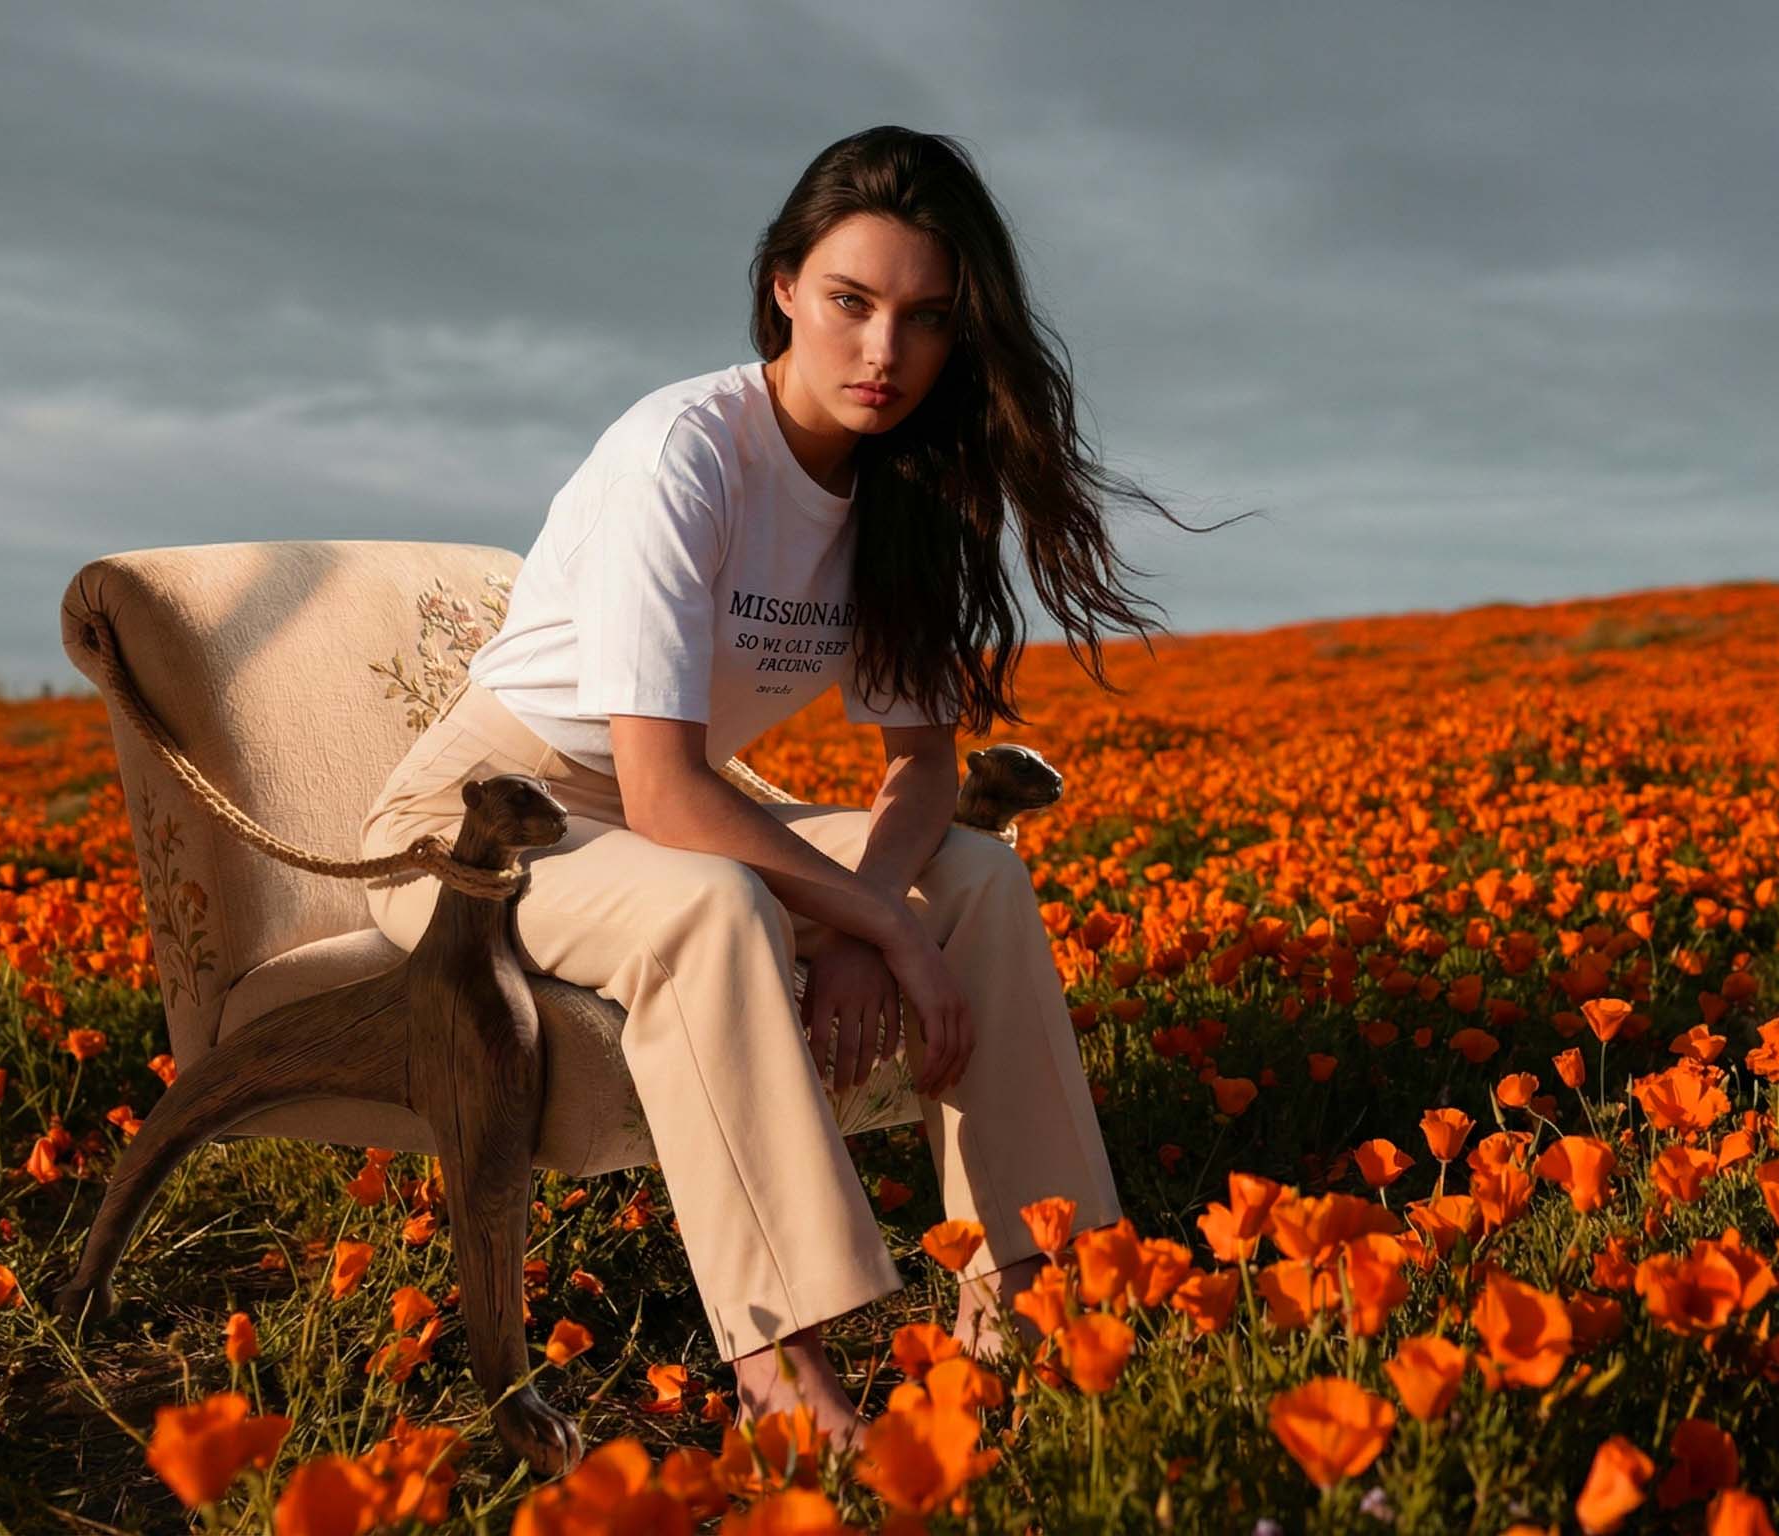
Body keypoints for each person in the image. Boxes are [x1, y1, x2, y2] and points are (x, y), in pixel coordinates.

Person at [357, 126, 1245, 1449]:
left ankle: (1030, 1311)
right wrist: (870, 927)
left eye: (925, 319)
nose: (883, 352)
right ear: (783, 285)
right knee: (712, 903)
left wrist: (880, 906)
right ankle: (787, 1377)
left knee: (980, 877)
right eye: (851, 303)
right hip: (481, 826)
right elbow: (659, 788)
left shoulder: (914, 490)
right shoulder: (688, 453)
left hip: (661, 814)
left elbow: (925, 766)